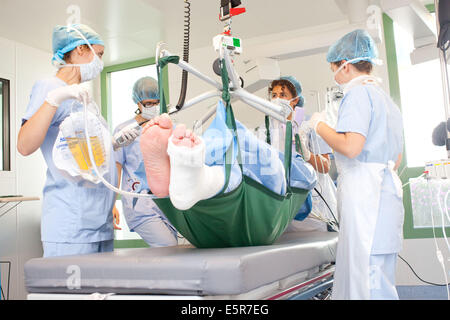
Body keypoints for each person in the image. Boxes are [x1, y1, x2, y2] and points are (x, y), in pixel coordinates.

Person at [304, 29, 404, 300]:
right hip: (386, 196)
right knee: (378, 277)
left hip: (367, 200)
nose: (334, 75)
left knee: (366, 281)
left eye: (333, 68)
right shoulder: (386, 100)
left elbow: (351, 146)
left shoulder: (358, 95)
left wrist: (320, 125)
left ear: (345, 66)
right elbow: (396, 158)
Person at [17, 24, 117, 258]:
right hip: (73, 223)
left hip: (99, 222)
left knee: (101, 294)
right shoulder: (50, 87)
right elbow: (24, 145)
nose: (100, 63)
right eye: (99, 54)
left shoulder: (82, 98)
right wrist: (53, 100)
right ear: (80, 49)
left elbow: (87, 155)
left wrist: (115, 144)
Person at [256, 76, 337, 232]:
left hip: (314, 203)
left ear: (294, 100)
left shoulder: (310, 125)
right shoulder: (266, 129)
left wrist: (307, 155)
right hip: (282, 202)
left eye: (283, 95)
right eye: (274, 95)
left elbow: (325, 166)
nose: (277, 99)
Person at [112, 77, 178, 247]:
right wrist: (111, 204)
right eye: (149, 103)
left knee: (171, 254)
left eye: (157, 102)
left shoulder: (167, 128)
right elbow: (116, 169)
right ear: (138, 103)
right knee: (168, 247)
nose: (154, 107)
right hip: (140, 203)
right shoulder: (124, 131)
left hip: (167, 203)